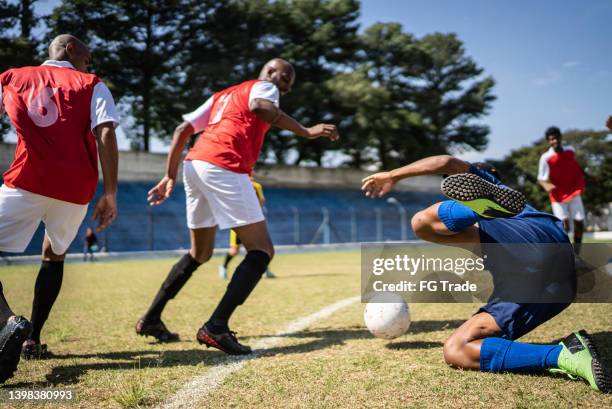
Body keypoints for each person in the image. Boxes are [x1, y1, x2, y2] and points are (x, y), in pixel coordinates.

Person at [136, 58, 338, 354]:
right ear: (271, 72)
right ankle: (216, 327)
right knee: (262, 250)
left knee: (200, 253)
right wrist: (306, 131)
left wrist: (170, 175)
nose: (285, 88)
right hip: (224, 166)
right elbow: (260, 107)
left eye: (288, 85)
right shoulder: (264, 88)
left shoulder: (223, 95)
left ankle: (151, 318)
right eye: (285, 80)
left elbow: (182, 130)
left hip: (194, 165)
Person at [361, 155, 610, 393]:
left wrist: (392, 175)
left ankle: (476, 210)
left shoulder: (487, 180)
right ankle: (568, 355)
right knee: (458, 346)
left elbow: (447, 162)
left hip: (528, 255)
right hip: (553, 272)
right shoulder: (504, 208)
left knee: (421, 223)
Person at [0, 34, 119, 380]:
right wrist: (109, 193)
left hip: (27, 181)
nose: (90, 62)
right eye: (87, 56)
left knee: (53, 254)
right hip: (75, 190)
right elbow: (106, 132)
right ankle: (32, 338)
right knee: (54, 254)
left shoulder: (11, 77)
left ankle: (8, 321)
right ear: (70, 49)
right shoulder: (91, 83)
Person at [537, 126, 585, 254]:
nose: (555, 141)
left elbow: (575, 168)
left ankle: (577, 255)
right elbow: (541, 178)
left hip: (574, 192)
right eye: (551, 139)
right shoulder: (545, 157)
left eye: (556, 138)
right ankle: (566, 255)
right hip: (557, 196)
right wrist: (547, 186)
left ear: (560, 138)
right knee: (563, 226)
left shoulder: (570, 151)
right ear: (548, 141)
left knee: (579, 222)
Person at [219, 173, 274, 279]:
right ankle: (223, 267)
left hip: (252, 221)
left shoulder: (255, 186)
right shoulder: (237, 185)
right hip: (239, 222)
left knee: (261, 248)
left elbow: (262, 201)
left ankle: (265, 271)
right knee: (235, 250)